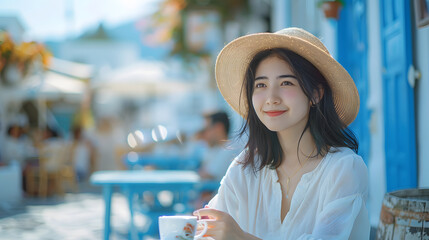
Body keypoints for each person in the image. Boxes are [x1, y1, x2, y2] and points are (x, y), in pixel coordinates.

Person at [193, 28, 370, 239]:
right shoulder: (245, 168)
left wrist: (240, 237)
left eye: (286, 83)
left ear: (315, 93)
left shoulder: (343, 169)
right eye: (261, 85)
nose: (271, 98)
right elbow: (208, 229)